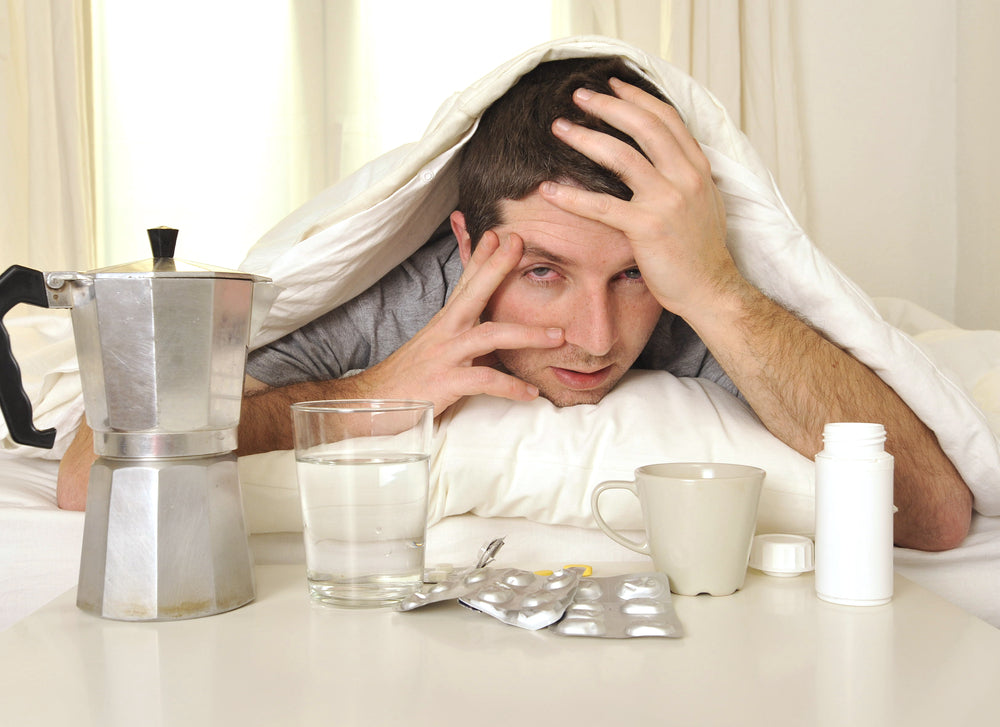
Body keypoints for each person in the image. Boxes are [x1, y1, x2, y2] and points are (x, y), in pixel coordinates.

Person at [57, 56, 972, 552]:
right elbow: (93, 463)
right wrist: (380, 388)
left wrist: (713, 287)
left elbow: (932, 515)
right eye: (544, 271)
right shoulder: (396, 297)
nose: (596, 336)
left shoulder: (691, 291)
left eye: (632, 275)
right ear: (464, 246)